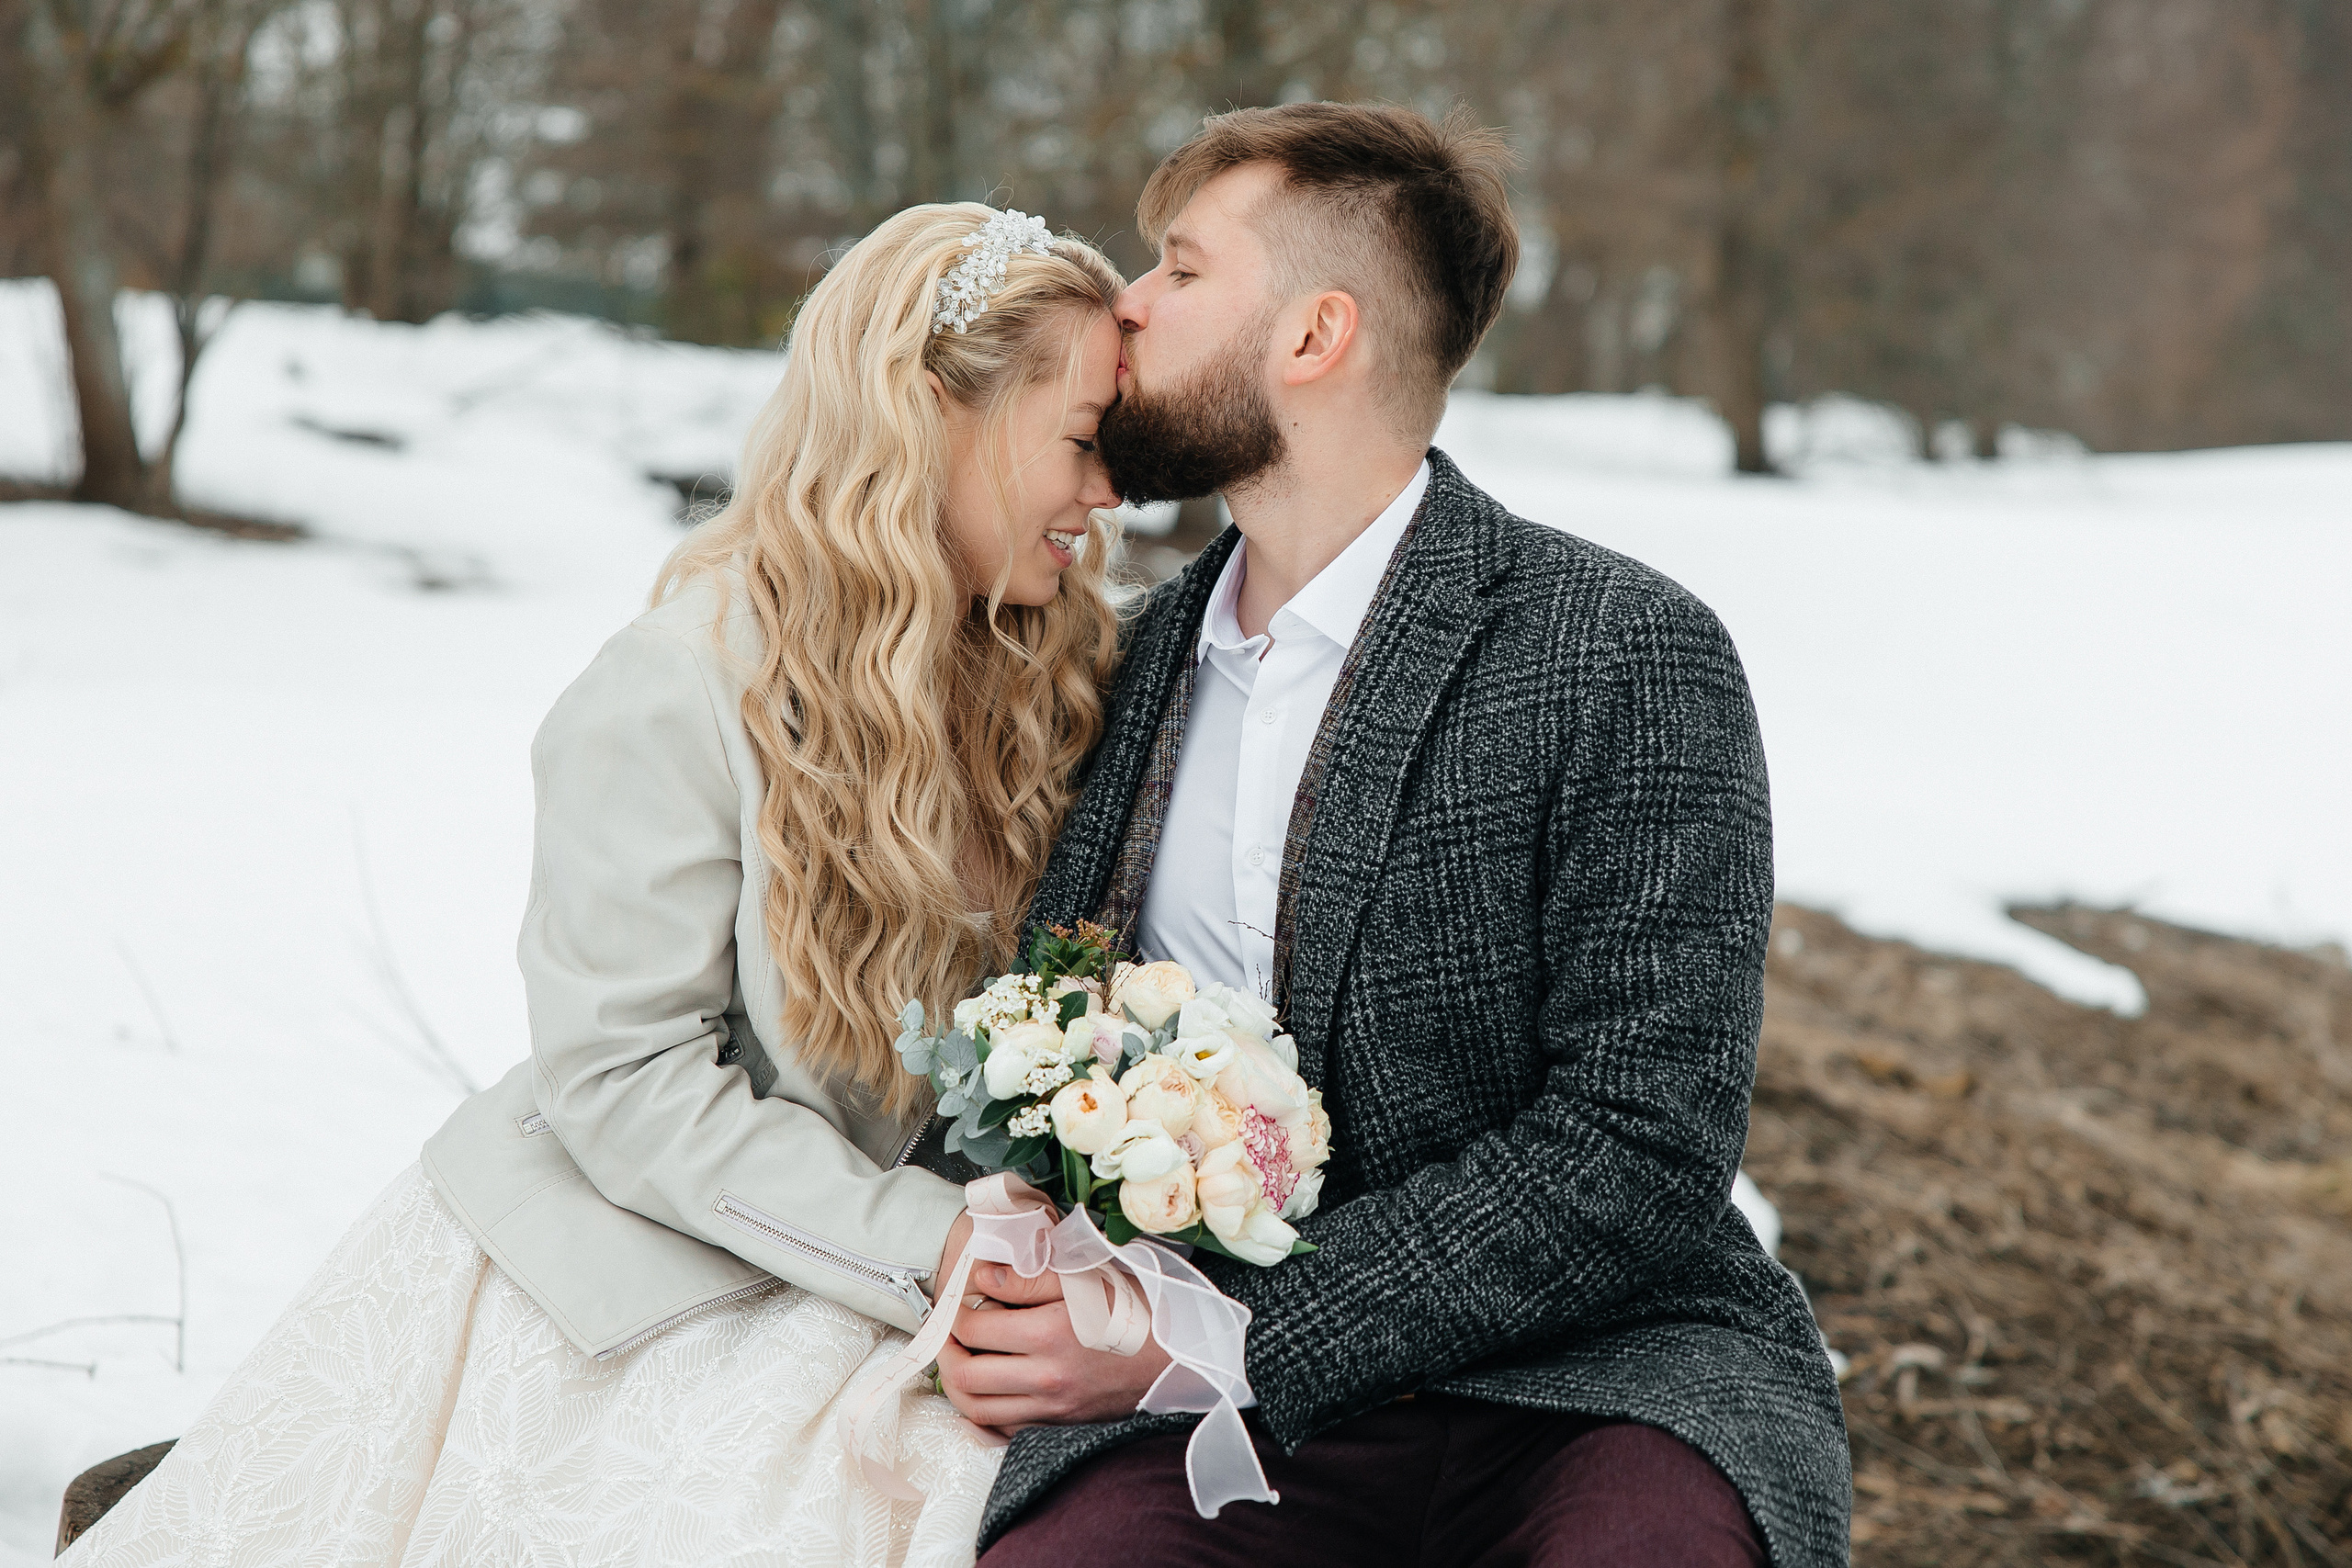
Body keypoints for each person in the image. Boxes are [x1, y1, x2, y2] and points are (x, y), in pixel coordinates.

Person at [60, 203, 1127, 1568]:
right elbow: (624, 1078)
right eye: (1084, 444)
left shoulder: (1050, 676)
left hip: (907, 1276)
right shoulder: (677, 685)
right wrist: (932, 1250)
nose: (1107, 500)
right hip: (641, 1270)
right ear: (931, 412)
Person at [935, 104, 1854, 1567]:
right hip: (1208, 1416)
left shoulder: (1622, 651)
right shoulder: (1118, 669)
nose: (1126, 305)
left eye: (1178, 269)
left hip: (1595, 1374)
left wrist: (1215, 1333)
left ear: (1312, 337)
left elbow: (1640, 1146)